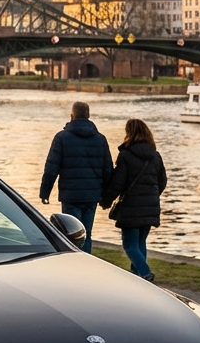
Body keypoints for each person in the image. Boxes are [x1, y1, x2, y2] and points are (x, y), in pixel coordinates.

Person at [39, 101, 113, 253]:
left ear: (72, 116)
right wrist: (106, 196)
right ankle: (86, 263)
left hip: (71, 194)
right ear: (88, 116)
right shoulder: (100, 139)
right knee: (87, 234)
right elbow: (108, 170)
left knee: (71, 233)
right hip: (92, 195)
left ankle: (74, 265)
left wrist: (45, 192)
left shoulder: (61, 138)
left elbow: (52, 168)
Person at [102, 118, 167, 282]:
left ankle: (145, 272)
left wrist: (107, 200)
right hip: (150, 206)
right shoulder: (155, 155)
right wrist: (152, 195)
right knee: (140, 242)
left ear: (129, 133)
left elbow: (118, 182)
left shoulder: (126, 154)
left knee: (129, 244)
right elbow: (162, 180)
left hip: (131, 205)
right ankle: (137, 277)